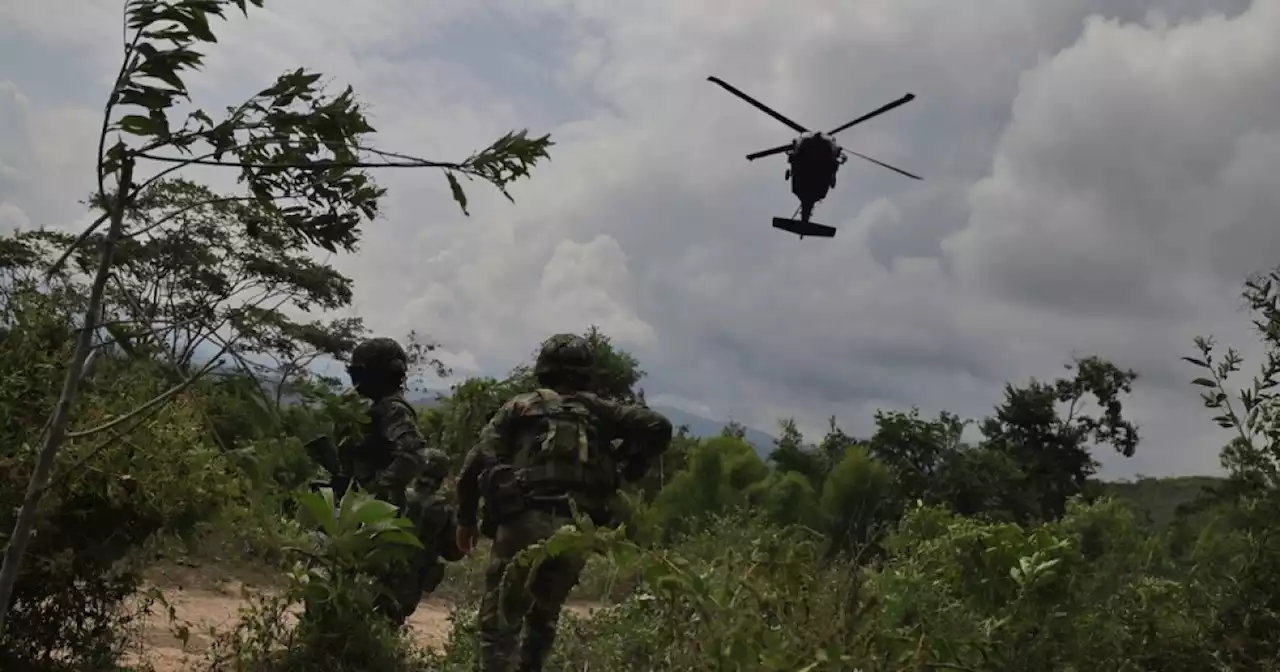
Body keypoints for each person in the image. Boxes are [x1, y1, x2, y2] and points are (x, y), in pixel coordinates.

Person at [454, 333, 673, 672]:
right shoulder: (600, 412)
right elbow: (658, 427)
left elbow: (476, 462)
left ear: (543, 370)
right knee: (544, 617)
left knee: (500, 621)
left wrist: (466, 519)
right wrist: (630, 460)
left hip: (522, 520)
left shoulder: (520, 406)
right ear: (586, 372)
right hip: (575, 529)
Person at [345, 336, 455, 625]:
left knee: (376, 596)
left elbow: (412, 454)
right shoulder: (379, 407)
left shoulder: (393, 409)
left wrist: (376, 491)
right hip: (366, 511)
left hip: (378, 514)